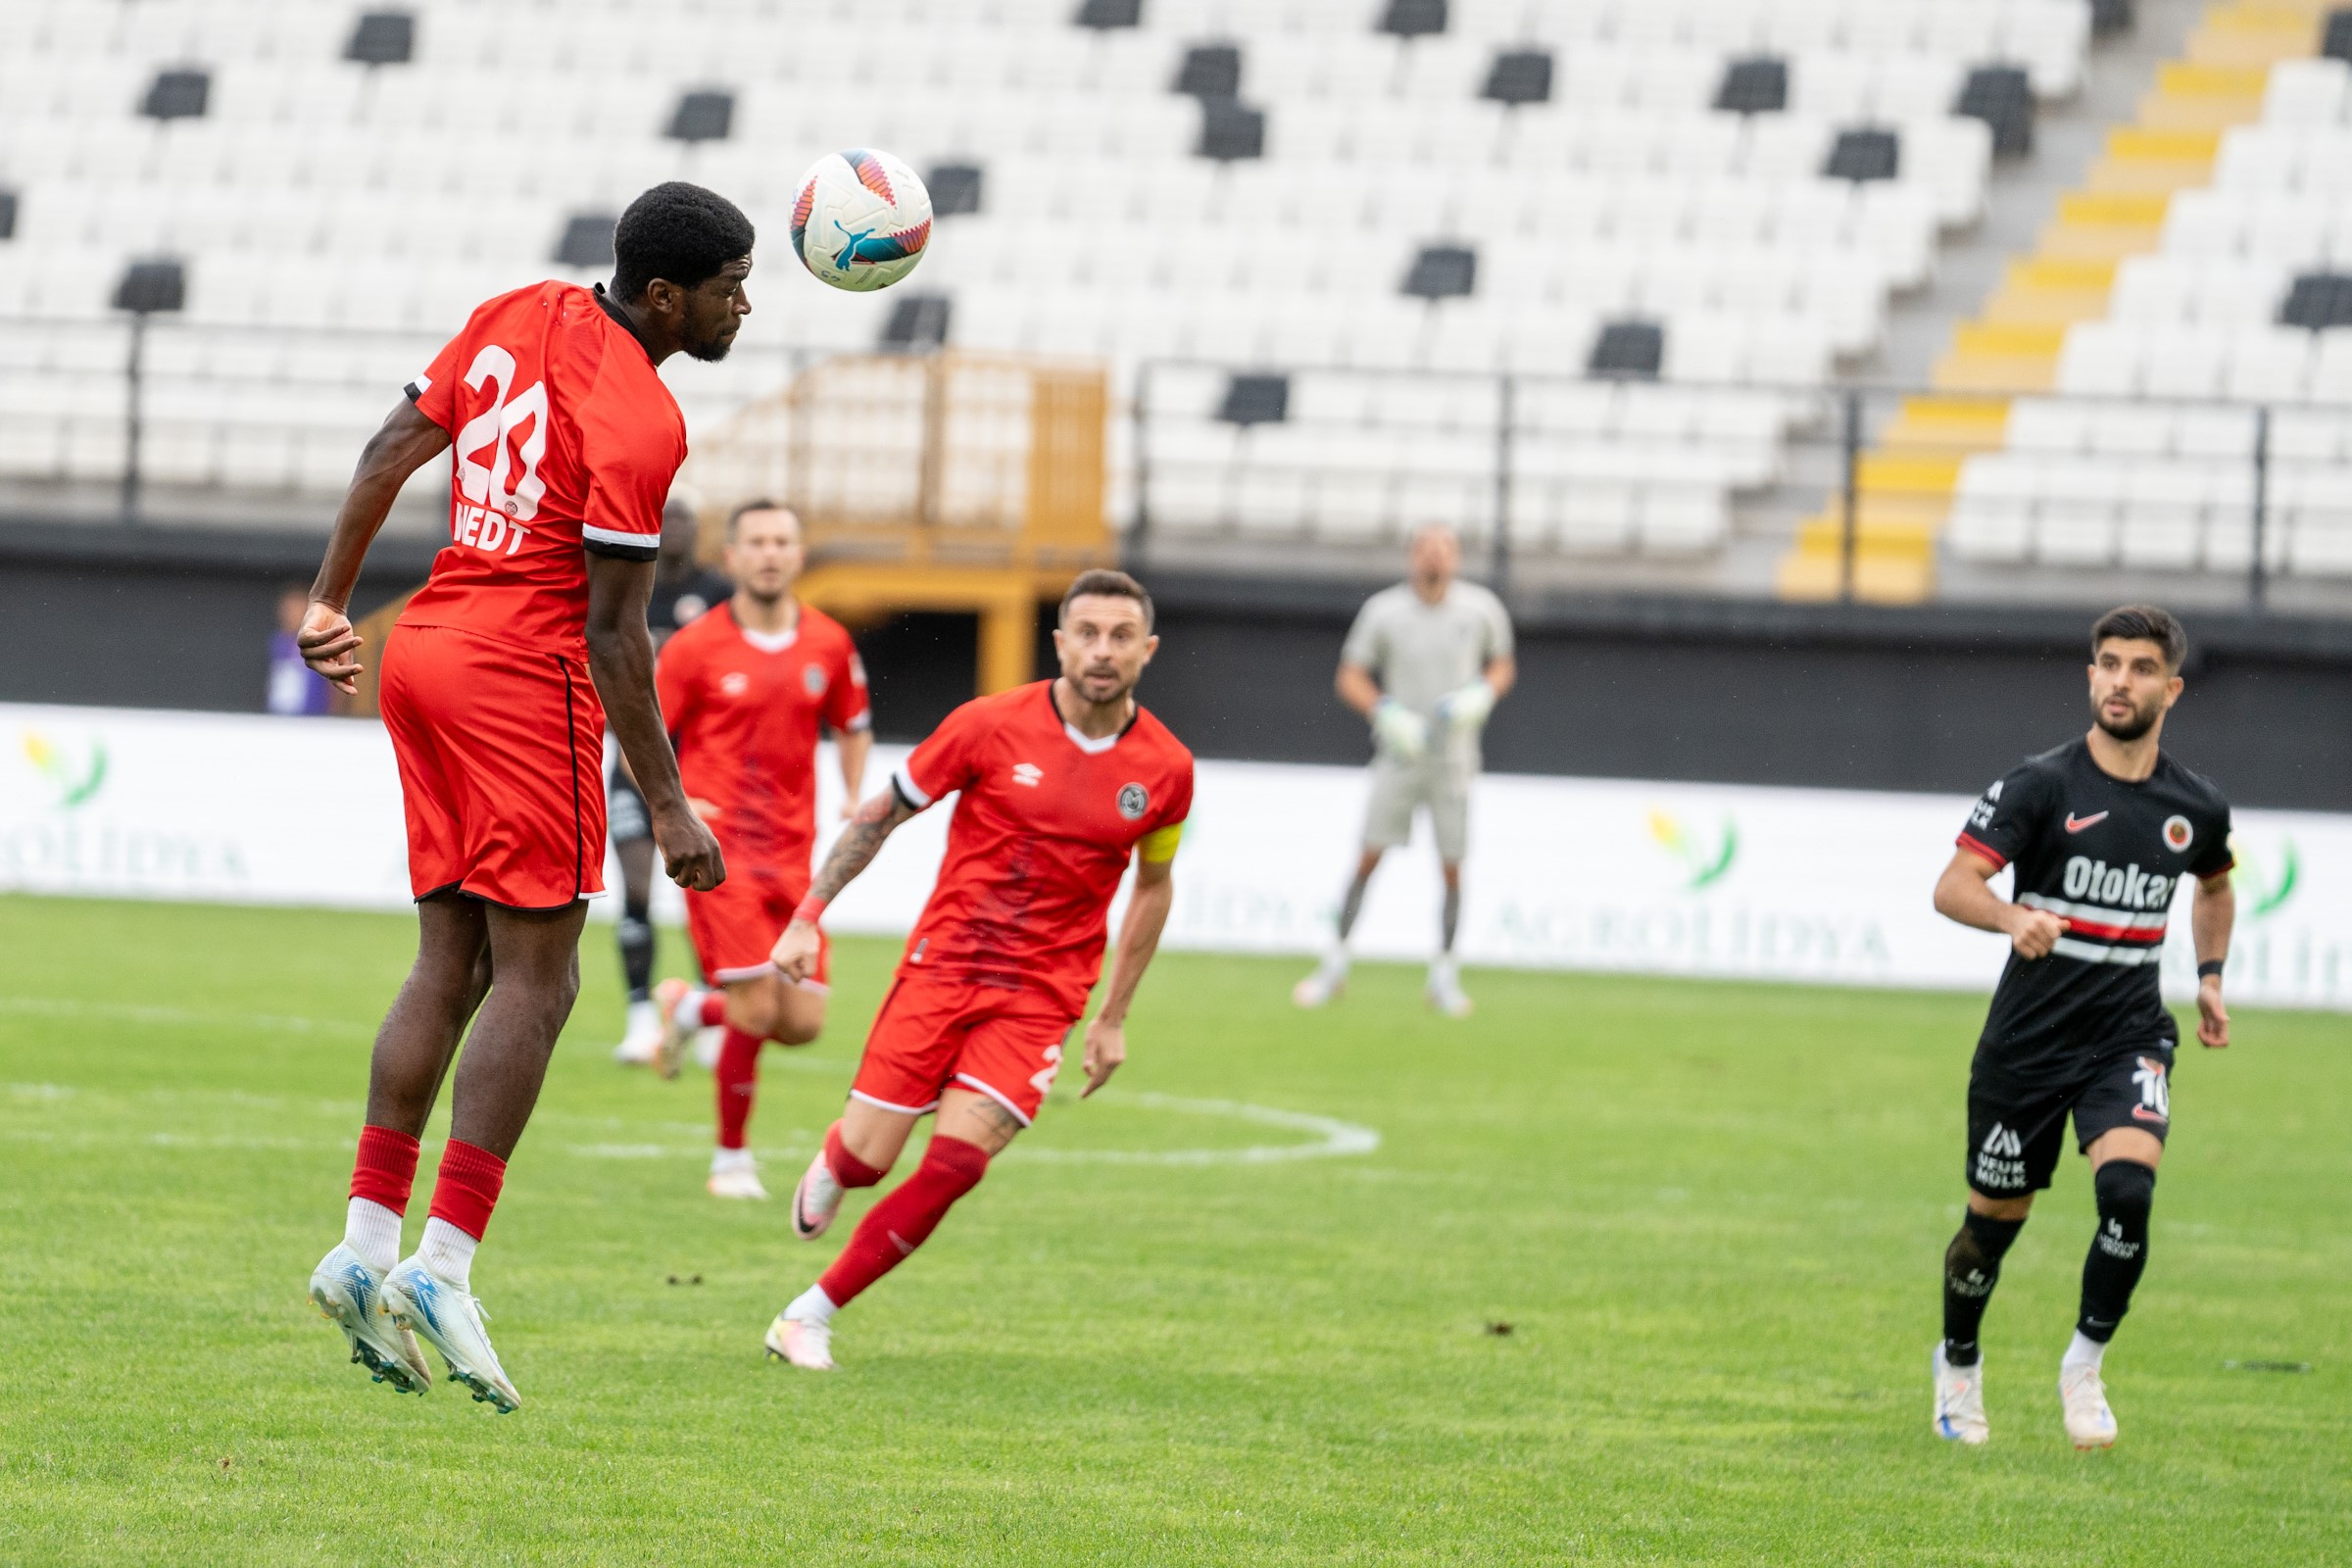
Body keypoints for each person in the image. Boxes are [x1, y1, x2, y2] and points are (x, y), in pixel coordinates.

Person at [296, 182, 750, 1412]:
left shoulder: (517, 307)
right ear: (667, 296)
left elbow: (393, 446)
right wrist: (671, 805)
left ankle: (364, 1246)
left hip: (428, 647)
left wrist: (332, 602)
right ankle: (443, 1268)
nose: (742, 304)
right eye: (728, 287)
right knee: (543, 977)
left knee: (450, 959)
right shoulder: (644, 416)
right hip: (521, 674)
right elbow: (614, 636)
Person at [760, 569, 1194, 1372]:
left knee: (956, 1165)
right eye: (1088, 634)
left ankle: (807, 1315)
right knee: (868, 1160)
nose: (1103, 651)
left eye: (1121, 636)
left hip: (1042, 994)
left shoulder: (1166, 770)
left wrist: (1113, 1016)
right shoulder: (988, 725)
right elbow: (880, 814)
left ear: (1147, 650)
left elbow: (1153, 890)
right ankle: (837, 1160)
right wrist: (804, 918)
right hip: (944, 966)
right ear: (1060, 643)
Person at [1928, 605, 2235, 1450]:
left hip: (2127, 1034)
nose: (2120, 681)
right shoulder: (2041, 785)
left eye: (2140, 668)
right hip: (2027, 1042)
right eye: (2108, 664)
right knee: (1992, 1228)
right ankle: (1958, 1363)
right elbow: (1953, 885)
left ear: (2170, 688)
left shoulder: (2195, 806)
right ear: (2090, 676)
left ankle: (2084, 1365)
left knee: (2129, 1193)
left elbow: (2213, 886)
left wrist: (2209, 979)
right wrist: (2008, 919)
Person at [649, 500, 872, 1198]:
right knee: (753, 1009)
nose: (771, 553)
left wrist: (852, 791)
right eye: (758, 542)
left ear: (799, 556)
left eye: (783, 541)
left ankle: (689, 1009)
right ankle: (730, 1161)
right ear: (735, 558)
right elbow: (641, 736)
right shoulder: (694, 647)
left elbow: (854, 722)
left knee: (801, 1022)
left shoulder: (829, 644)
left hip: (795, 855)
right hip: (720, 857)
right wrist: (675, 805)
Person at [1292, 523, 1514, 1017]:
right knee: (1368, 857)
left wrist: (1481, 694)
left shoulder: (1480, 610)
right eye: (1427, 550)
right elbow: (1350, 675)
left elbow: (1502, 665)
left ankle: (1445, 976)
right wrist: (1385, 712)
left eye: (1444, 550)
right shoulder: (1384, 611)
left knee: (1452, 866)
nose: (1435, 559)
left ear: (1455, 557)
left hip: (1454, 759)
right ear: (1414, 556)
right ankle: (1333, 966)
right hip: (1399, 754)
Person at [608, 489, 737, 1066]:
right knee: (636, 887)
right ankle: (640, 1016)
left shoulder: (719, 593)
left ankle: (708, 1007)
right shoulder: (632, 583)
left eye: (686, 519)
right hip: (632, 761)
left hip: (703, 765)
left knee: (708, 891)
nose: (677, 528)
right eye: (668, 520)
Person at [267, 586, 335, 715]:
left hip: (312, 718)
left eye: (297, 609)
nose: (292, 615)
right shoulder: (277, 642)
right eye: (288, 610)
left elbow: (334, 688)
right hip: (279, 716)